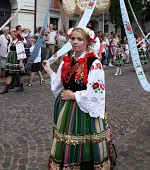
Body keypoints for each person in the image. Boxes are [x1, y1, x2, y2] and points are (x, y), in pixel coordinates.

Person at [43, 27, 117, 169]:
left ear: (87, 42)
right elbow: (59, 83)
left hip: (84, 109)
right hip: (66, 109)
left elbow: (96, 92)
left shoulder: (94, 63)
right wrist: (48, 70)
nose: (75, 42)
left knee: (86, 140)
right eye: (73, 39)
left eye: (79, 39)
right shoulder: (67, 61)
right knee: (66, 140)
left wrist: (74, 95)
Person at [0, 30, 26, 94]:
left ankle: (21, 87)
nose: (11, 35)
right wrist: (7, 57)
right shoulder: (12, 42)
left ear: (16, 35)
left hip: (16, 59)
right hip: (11, 59)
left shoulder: (19, 42)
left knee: (20, 73)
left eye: (13, 34)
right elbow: (9, 50)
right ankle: (6, 88)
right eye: (11, 34)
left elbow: (21, 51)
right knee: (9, 73)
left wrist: (20, 61)